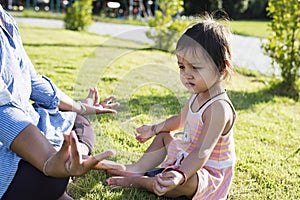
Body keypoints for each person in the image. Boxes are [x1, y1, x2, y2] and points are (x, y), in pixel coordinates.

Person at [0, 5, 124, 200]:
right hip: (7, 154)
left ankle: (75, 157)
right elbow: (3, 110)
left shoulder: (5, 20)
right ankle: (68, 164)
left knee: (78, 120)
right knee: (48, 178)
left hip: (29, 130)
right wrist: (49, 161)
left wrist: (80, 107)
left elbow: (32, 80)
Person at [107, 17, 236, 200]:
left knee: (183, 183)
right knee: (163, 137)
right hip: (188, 156)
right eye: (182, 67)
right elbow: (180, 119)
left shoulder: (218, 108)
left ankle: (143, 182)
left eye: (195, 68)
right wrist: (154, 129)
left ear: (222, 68)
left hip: (208, 171)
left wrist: (181, 175)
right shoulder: (197, 94)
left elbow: (202, 152)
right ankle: (137, 169)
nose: (186, 75)